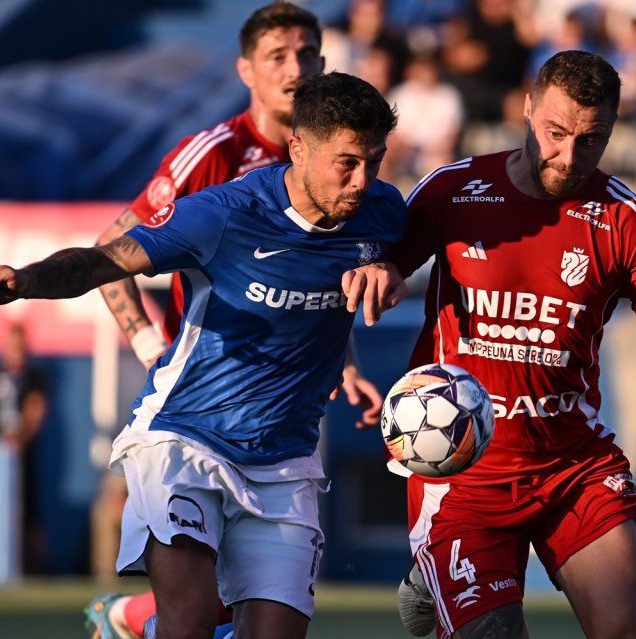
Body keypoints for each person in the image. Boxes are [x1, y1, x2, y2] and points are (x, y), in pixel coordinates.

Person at [0, 70, 403, 639]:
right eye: (348, 163)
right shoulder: (224, 213)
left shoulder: (384, 213)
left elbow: (410, 256)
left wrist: (388, 270)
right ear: (298, 149)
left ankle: (128, 625)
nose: (363, 180)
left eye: (375, 160)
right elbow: (103, 261)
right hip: (184, 440)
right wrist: (21, 279)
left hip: (285, 462)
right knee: (190, 621)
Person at [343, 50, 636, 639]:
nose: (569, 157)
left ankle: (437, 586)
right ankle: (440, 582)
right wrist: (380, 273)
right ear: (529, 108)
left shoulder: (624, 220)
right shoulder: (453, 191)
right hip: (462, 471)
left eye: (591, 140)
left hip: (573, 467)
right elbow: (380, 265)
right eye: (556, 133)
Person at [86, 3, 383, 638]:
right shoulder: (214, 157)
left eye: (306, 54)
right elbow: (113, 248)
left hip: (288, 405)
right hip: (198, 403)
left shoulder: (349, 168)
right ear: (246, 69)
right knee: (198, 597)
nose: (295, 68)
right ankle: (134, 616)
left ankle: (133, 619)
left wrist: (349, 362)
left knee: (250, 593)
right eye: (278, 56)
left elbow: (325, 275)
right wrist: (147, 346)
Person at [0, 323, 48, 575]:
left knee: (27, 510)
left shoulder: (34, 377)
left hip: (22, 453)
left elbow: (35, 411)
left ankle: (34, 568)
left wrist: (20, 438)